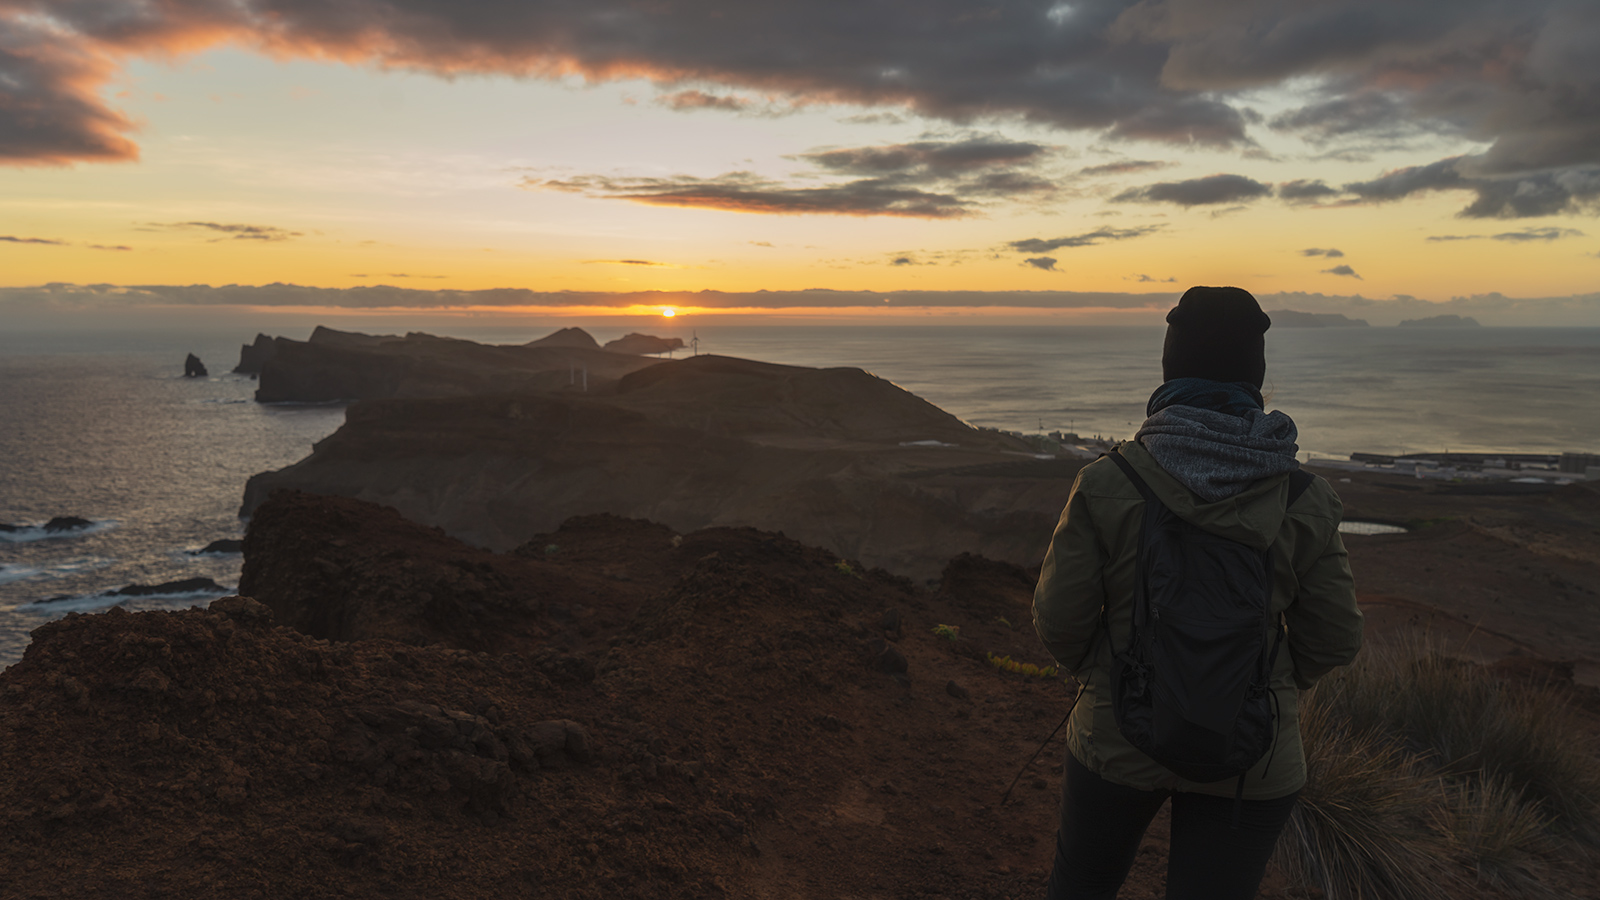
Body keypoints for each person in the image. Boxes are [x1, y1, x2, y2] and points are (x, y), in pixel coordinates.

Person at [1032, 286, 1364, 900]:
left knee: (1081, 885)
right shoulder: (1306, 499)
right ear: (1255, 373)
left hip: (1116, 739)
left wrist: (1113, 675)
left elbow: (1059, 619)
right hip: (1255, 754)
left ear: (1170, 366)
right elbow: (1335, 636)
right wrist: (1261, 683)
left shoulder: (1109, 482)